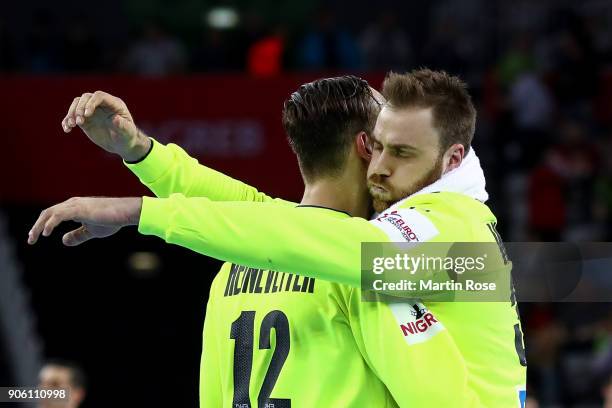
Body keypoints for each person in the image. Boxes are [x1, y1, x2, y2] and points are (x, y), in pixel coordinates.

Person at [29, 69, 527, 406]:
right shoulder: (360, 273)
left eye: (401, 149)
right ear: (365, 146)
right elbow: (279, 223)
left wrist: (143, 196)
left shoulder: (239, 266)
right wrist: (142, 158)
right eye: (383, 145)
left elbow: (277, 226)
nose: (383, 165)